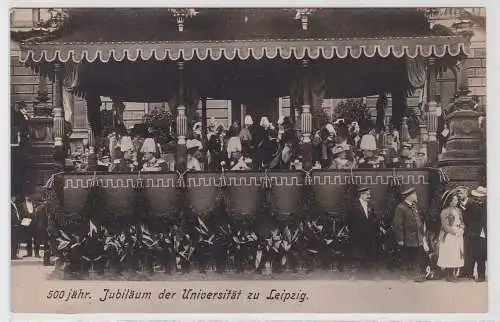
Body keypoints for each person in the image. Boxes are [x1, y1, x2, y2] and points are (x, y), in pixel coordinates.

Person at [392, 187, 428, 282]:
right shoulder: (401, 208)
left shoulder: (414, 206)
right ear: (409, 196)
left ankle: (417, 275)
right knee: (405, 257)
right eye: (415, 194)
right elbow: (397, 225)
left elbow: (418, 221)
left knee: (416, 257)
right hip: (407, 238)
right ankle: (403, 275)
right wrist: (400, 239)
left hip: (417, 238)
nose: (416, 196)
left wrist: (423, 235)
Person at [459, 186, 487, 282]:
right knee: (473, 253)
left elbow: (474, 219)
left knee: (480, 255)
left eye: (479, 196)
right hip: (476, 232)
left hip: (479, 232)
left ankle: (481, 275)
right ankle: (470, 273)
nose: (477, 198)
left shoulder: (475, 205)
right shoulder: (477, 204)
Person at [348, 187, 379, 271]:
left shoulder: (370, 206)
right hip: (357, 234)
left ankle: (369, 270)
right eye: (367, 194)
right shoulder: (354, 205)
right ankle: (355, 271)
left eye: (369, 194)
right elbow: (348, 220)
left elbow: (373, 218)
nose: (369, 196)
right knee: (357, 252)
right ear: (361, 194)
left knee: (369, 251)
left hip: (369, 234)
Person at [437, 190, 465, 282]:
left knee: (456, 254)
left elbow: (462, 222)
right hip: (449, 236)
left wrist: (462, 229)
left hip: (458, 234)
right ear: (450, 201)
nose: (457, 201)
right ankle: (449, 275)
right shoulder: (445, 212)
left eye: (457, 200)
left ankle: (452, 274)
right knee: (450, 254)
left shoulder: (458, 210)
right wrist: (455, 232)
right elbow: (445, 226)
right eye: (455, 200)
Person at [19, 184, 40, 258]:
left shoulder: (35, 204)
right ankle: (29, 253)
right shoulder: (21, 205)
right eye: (26, 196)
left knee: (36, 239)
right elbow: (20, 215)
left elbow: (38, 212)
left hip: (35, 224)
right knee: (28, 239)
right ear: (24, 197)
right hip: (27, 224)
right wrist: (23, 222)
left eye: (29, 196)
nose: (28, 197)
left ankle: (37, 254)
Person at [11, 195, 21, 260]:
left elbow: (16, 215)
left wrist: (19, 221)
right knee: (13, 241)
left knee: (15, 241)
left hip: (16, 225)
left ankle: (14, 254)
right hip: (13, 225)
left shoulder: (14, 204)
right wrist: (13, 223)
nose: (15, 198)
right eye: (14, 197)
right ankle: (13, 255)